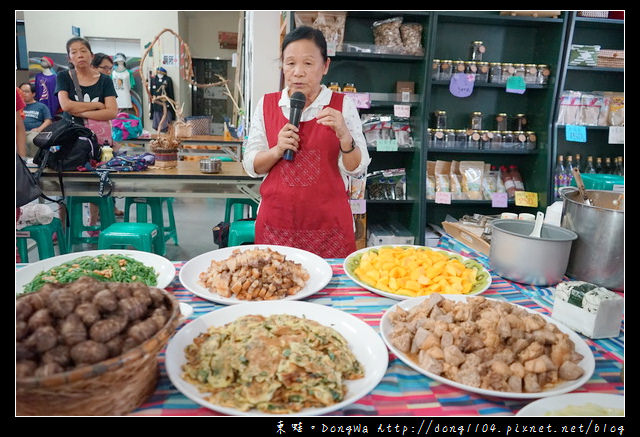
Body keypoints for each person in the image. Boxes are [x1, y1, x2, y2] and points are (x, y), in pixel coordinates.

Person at [243, 26, 370, 259]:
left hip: (329, 231)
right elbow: (252, 165)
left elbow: (357, 168)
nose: (298, 72)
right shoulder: (267, 105)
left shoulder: (342, 106)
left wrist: (344, 136)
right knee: (276, 292)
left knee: (330, 294)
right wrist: (277, 150)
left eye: (308, 63)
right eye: (290, 63)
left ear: (325, 66)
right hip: (276, 228)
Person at [56, 37, 119, 232]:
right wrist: (96, 105)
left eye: (83, 50)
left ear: (91, 54)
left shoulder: (105, 80)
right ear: (69, 57)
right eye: (73, 52)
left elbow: (111, 112)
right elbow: (65, 105)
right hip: (70, 140)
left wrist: (80, 112)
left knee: (97, 180)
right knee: (64, 184)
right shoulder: (64, 77)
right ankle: (64, 227)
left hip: (97, 140)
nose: (79, 55)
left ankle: (93, 223)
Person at [18, 82, 52, 158]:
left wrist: (38, 129)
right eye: (21, 91)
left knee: (32, 140)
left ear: (33, 94)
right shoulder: (17, 106)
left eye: (26, 92)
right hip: (18, 132)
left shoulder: (41, 106)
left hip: (33, 132)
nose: (23, 94)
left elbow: (48, 120)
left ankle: (34, 161)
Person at [150, 66, 175, 132]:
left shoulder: (168, 79)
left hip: (166, 104)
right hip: (156, 105)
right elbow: (151, 93)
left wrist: (172, 105)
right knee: (158, 123)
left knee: (167, 124)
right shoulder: (153, 79)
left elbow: (171, 93)